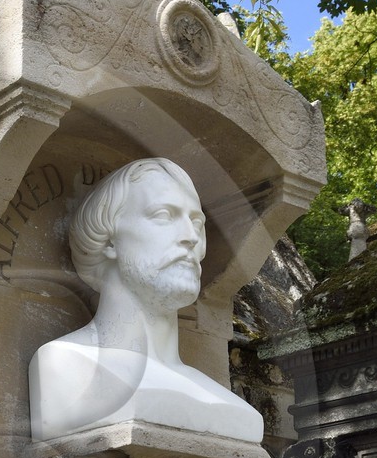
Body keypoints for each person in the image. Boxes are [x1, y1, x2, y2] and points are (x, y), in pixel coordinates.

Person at [29, 157, 263, 442]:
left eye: (196, 222)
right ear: (110, 240)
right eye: (164, 215)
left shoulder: (214, 396)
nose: (191, 237)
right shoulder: (64, 365)